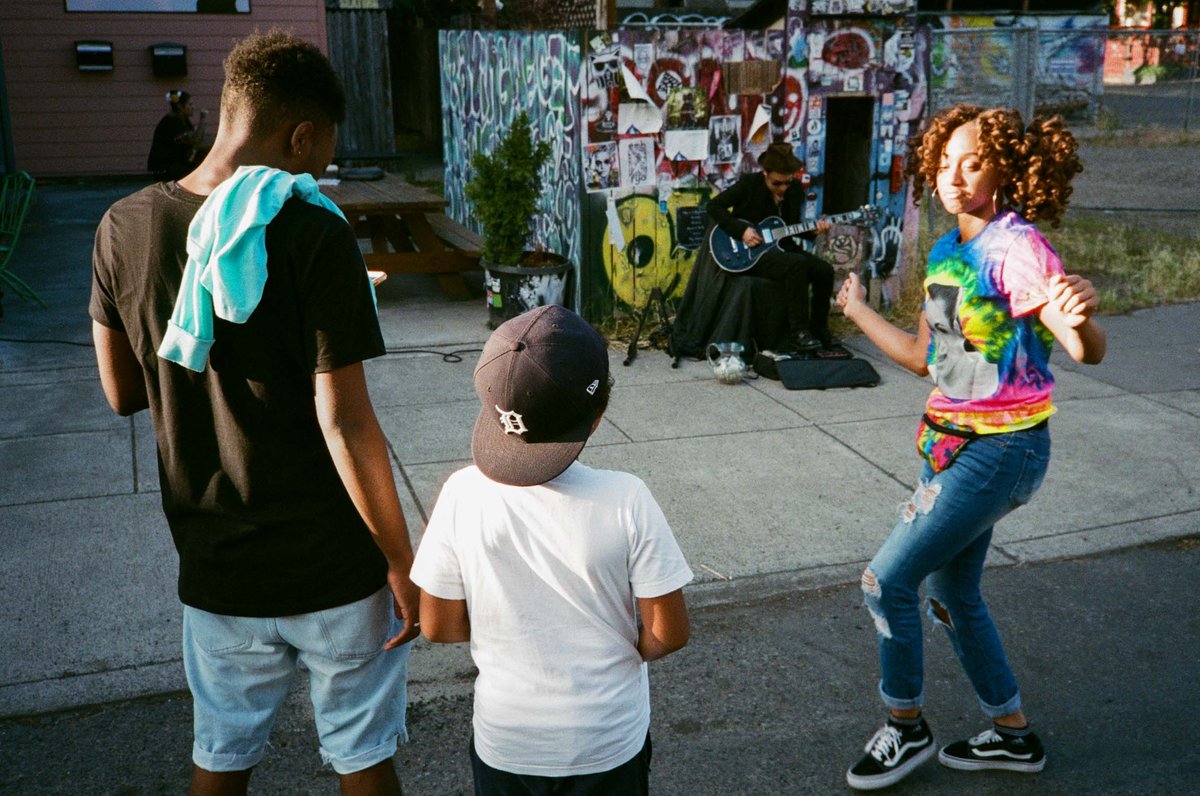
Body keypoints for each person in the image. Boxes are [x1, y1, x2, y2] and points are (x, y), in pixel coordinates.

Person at [90, 30, 418, 795]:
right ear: (301, 135)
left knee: (222, 756)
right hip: (333, 566)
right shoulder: (312, 229)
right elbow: (345, 421)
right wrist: (403, 560)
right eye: (324, 151)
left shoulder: (120, 227)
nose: (322, 168)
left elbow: (123, 392)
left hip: (216, 565)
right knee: (363, 755)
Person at [837, 104, 1106, 790]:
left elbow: (1082, 346)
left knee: (886, 581)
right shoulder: (947, 251)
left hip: (1000, 451)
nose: (954, 176)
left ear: (1006, 171)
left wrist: (1081, 319)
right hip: (946, 446)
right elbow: (926, 358)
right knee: (950, 592)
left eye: (973, 163)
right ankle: (1012, 735)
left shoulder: (1017, 248)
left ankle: (905, 724)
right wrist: (858, 307)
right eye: (945, 162)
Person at [410, 304, 693, 795]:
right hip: (607, 743)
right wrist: (618, 651)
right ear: (597, 414)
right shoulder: (627, 498)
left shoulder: (460, 493)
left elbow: (437, 626)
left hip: (507, 742)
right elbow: (669, 633)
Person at [147, 89, 207, 181]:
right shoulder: (172, 122)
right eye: (190, 104)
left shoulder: (183, 120)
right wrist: (203, 119)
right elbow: (196, 139)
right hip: (164, 170)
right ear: (180, 106)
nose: (193, 107)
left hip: (174, 166)